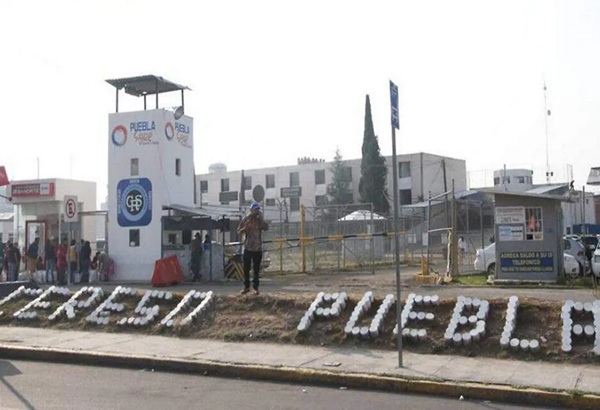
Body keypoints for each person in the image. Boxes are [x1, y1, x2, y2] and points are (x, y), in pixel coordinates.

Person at [237, 202, 268, 295]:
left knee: (256, 269)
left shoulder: (259, 220)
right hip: (248, 247)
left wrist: (261, 219)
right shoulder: (246, 219)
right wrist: (245, 228)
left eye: (258, 210)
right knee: (246, 269)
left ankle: (255, 288)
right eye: (255, 210)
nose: (257, 211)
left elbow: (266, 227)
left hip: (257, 248)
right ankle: (246, 287)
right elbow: (239, 231)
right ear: (251, 210)